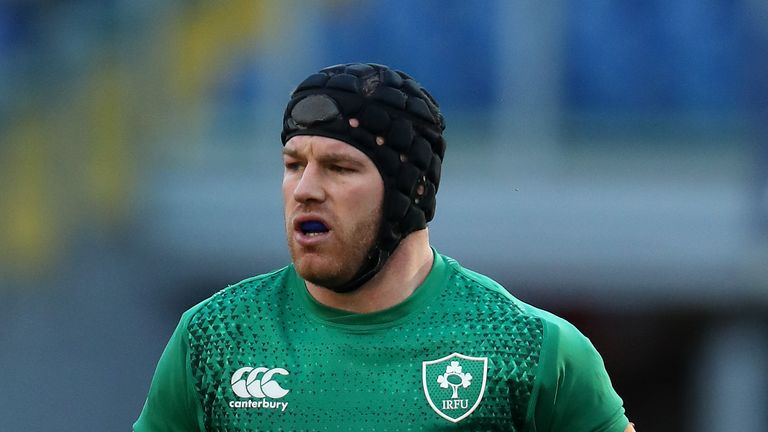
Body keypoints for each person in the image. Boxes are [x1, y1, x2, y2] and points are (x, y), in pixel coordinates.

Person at [134, 63, 635, 431]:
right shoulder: (214, 337)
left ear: (411, 191)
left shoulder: (527, 349)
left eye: (339, 167)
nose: (305, 188)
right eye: (293, 165)